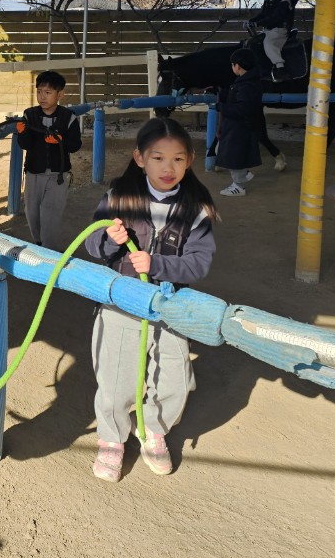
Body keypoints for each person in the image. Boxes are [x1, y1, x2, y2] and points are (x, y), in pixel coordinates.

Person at [83, 117, 217, 481]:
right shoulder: (118, 196)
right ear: (140, 158)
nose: (167, 168)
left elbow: (199, 262)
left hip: (170, 302)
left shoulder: (197, 208)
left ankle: (153, 429)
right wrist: (109, 239)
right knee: (116, 374)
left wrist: (158, 264)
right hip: (122, 299)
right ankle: (112, 438)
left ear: (189, 160)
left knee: (175, 374)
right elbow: (92, 244)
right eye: (158, 158)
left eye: (177, 159)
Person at [14, 70, 82, 249]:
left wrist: (60, 141)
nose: (42, 96)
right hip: (33, 173)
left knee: (50, 214)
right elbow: (26, 144)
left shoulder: (69, 117)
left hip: (58, 176)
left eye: (48, 92)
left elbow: (75, 145)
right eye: (39, 92)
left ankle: (49, 251)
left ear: (60, 95)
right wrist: (22, 133)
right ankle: (39, 244)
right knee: (32, 213)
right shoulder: (29, 115)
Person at [216, 48, 263, 197]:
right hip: (237, 127)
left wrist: (222, 107)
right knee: (225, 152)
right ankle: (244, 174)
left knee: (233, 156)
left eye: (232, 64)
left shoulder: (246, 85)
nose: (232, 67)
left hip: (239, 128)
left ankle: (238, 186)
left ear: (238, 66)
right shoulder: (246, 82)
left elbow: (243, 108)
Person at [249, 0, 299, 81]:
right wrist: (252, 20)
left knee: (269, 43)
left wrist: (258, 23)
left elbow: (276, 17)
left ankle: (280, 68)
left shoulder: (286, 0)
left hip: (279, 29)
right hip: (268, 29)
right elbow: (263, 13)